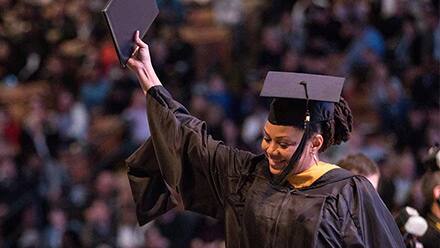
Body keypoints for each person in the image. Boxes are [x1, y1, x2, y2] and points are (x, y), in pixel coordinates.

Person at [125, 31, 404, 247]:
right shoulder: (246, 176)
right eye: (267, 138)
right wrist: (148, 75)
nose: (270, 150)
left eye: (283, 144)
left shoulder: (348, 194)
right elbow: (190, 139)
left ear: (315, 143)